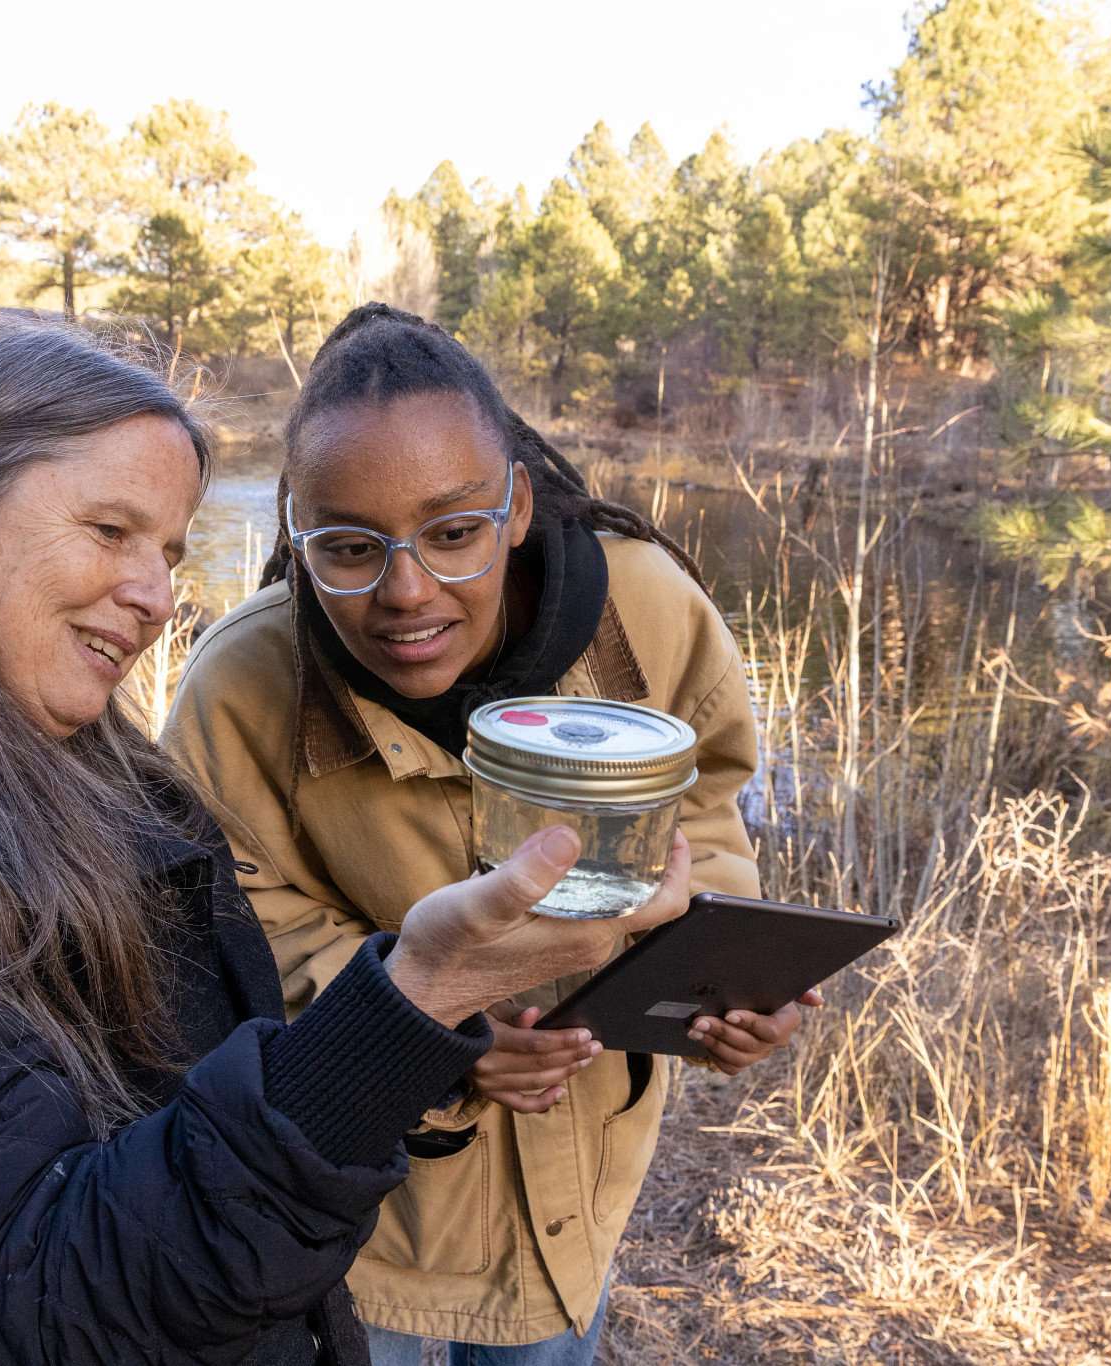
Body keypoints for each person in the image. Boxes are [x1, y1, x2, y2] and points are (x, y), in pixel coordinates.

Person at [0, 313, 699, 1366]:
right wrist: (414, 996)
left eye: (169, 551)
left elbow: (211, 1103)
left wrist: (419, 1034)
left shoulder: (124, 792)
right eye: (108, 531)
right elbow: (47, 1286)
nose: (154, 598)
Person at [164, 304, 817, 1366]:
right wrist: (436, 1027)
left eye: (452, 531)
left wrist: (716, 979)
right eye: (347, 547)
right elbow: (226, 931)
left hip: (577, 1196)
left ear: (514, 504)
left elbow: (704, 804)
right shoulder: (239, 687)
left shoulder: (648, 610)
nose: (406, 591)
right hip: (357, 1216)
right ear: (296, 536)